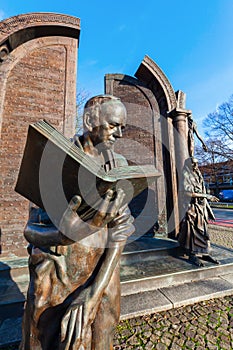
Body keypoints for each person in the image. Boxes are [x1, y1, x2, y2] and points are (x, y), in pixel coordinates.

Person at [20, 95, 135, 350]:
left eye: (123, 128)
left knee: (101, 335)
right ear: (90, 120)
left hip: (103, 270)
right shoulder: (55, 162)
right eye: (115, 125)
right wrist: (61, 236)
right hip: (59, 274)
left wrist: (95, 292)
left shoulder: (118, 166)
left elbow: (120, 231)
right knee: (53, 338)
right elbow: (29, 231)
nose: (120, 134)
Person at [178, 157, 220, 267]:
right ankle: (192, 253)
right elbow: (188, 193)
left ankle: (204, 252)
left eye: (197, 163)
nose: (196, 166)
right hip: (191, 207)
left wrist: (206, 200)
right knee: (193, 229)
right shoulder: (185, 175)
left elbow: (201, 190)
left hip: (201, 207)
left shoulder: (198, 175)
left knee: (203, 230)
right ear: (188, 165)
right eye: (193, 164)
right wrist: (207, 196)